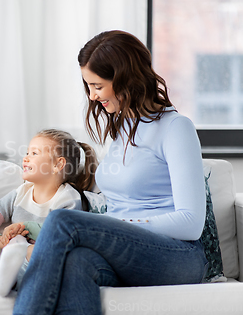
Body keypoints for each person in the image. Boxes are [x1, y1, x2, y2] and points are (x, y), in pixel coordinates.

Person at [13, 30, 208, 315]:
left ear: (125, 78)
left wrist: (120, 225)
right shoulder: (122, 130)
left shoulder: (176, 128)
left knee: (63, 221)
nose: (92, 96)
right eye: (88, 86)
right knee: (77, 262)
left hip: (177, 256)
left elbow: (191, 223)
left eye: (97, 86)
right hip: (129, 251)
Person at [0, 129, 100, 297]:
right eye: (27, 152)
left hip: (51, 264)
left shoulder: (68, 198)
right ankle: (9, 271)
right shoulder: (19, 194)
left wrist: (24, 227)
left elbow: (62, 236)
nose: (26, 158)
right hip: (17, 256)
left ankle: (14, 272)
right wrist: (3, 241)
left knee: (34, 248)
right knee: (17, 241)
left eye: (34, 153)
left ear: (58, 165)